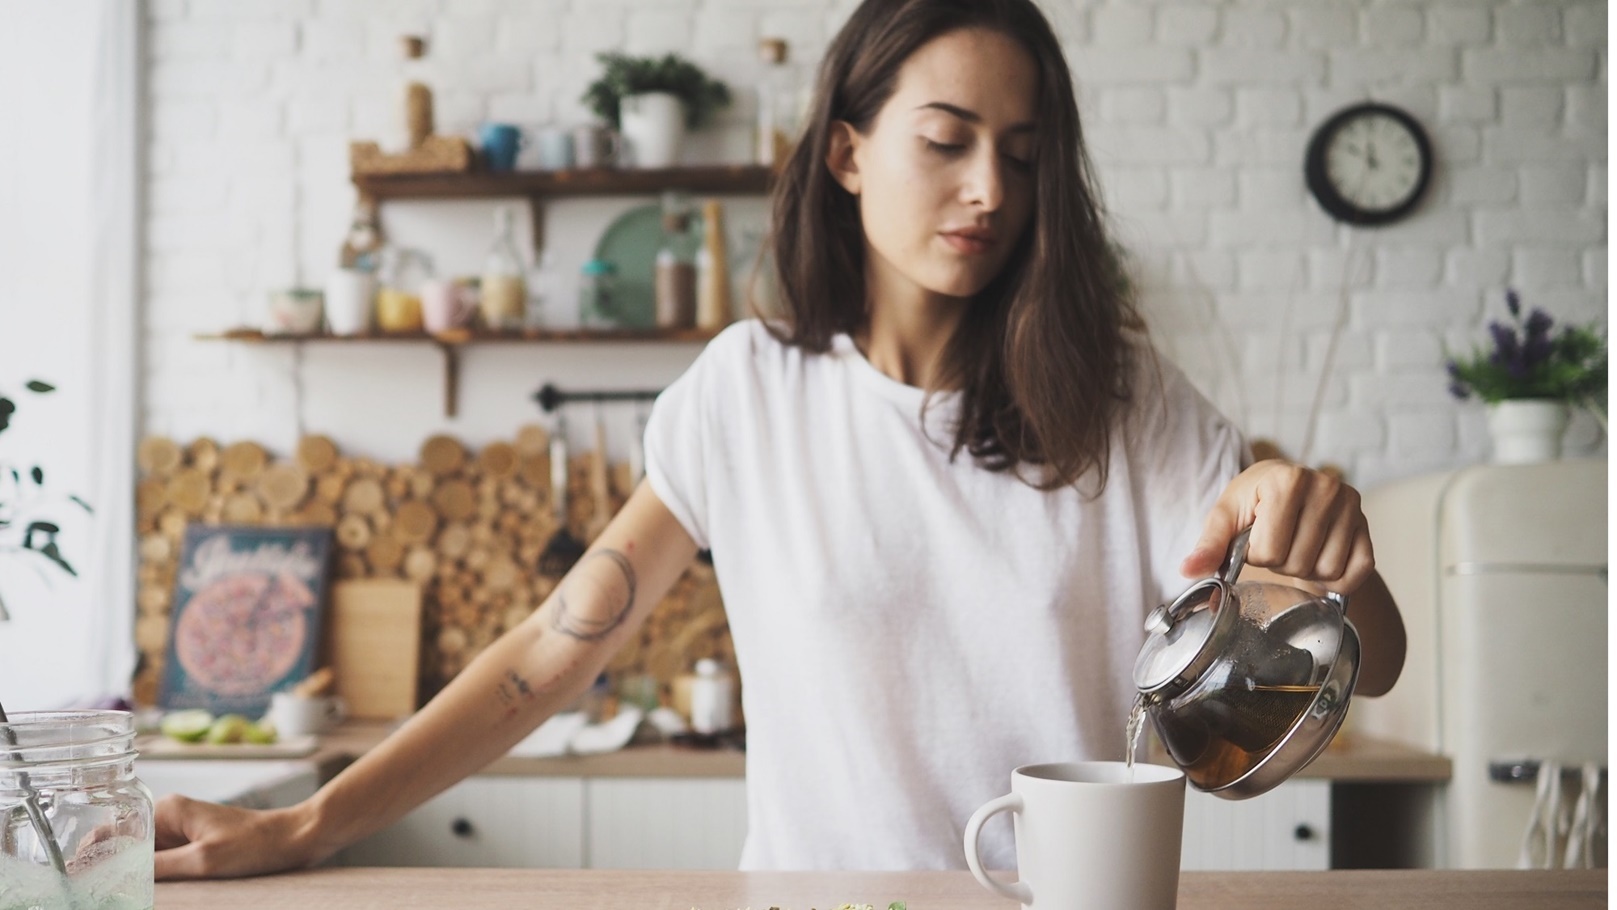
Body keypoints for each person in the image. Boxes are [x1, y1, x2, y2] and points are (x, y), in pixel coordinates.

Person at [154, 0, 1405, 878]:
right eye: (947, 141)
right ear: (850, 154)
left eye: (1024, 158)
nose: (990, 192)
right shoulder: (743, 394)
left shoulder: (1124, 395)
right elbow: (550, 653)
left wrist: (1335, 555)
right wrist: (307, 823)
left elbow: (1371, 657)